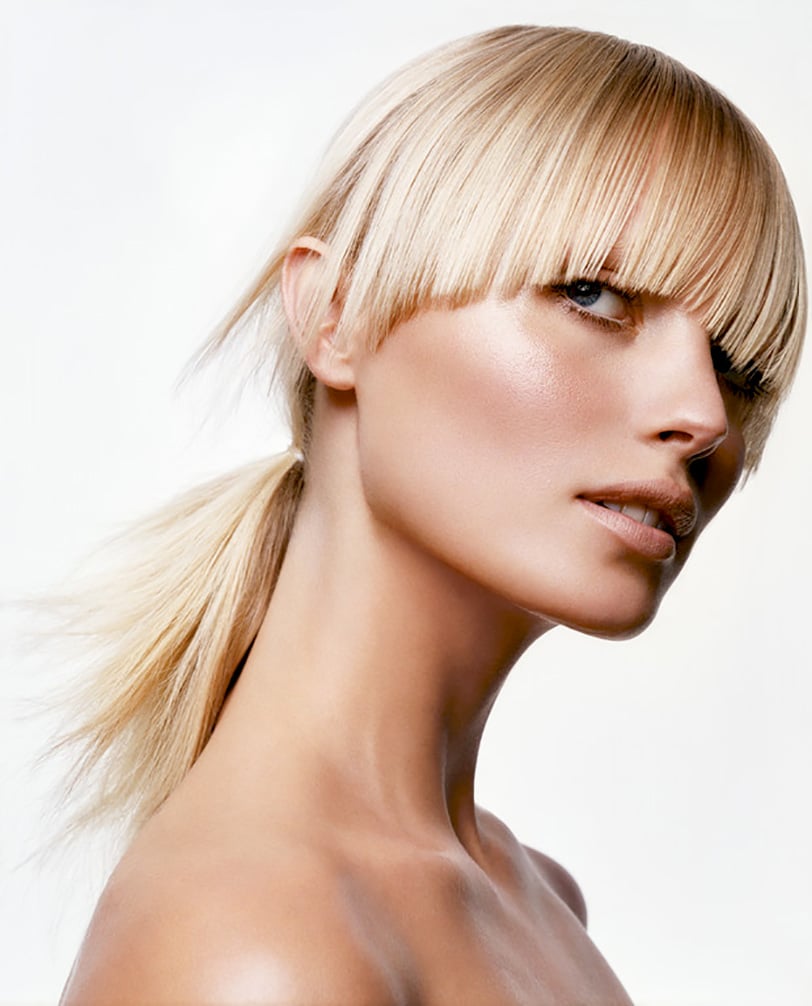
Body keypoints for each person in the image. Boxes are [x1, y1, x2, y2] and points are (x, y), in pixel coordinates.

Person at [57, 24, 805, 1005]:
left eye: (736, 363)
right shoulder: (254, 952)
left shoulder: (533, 899)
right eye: (591, 296)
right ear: (336, 313)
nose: (703, 414)